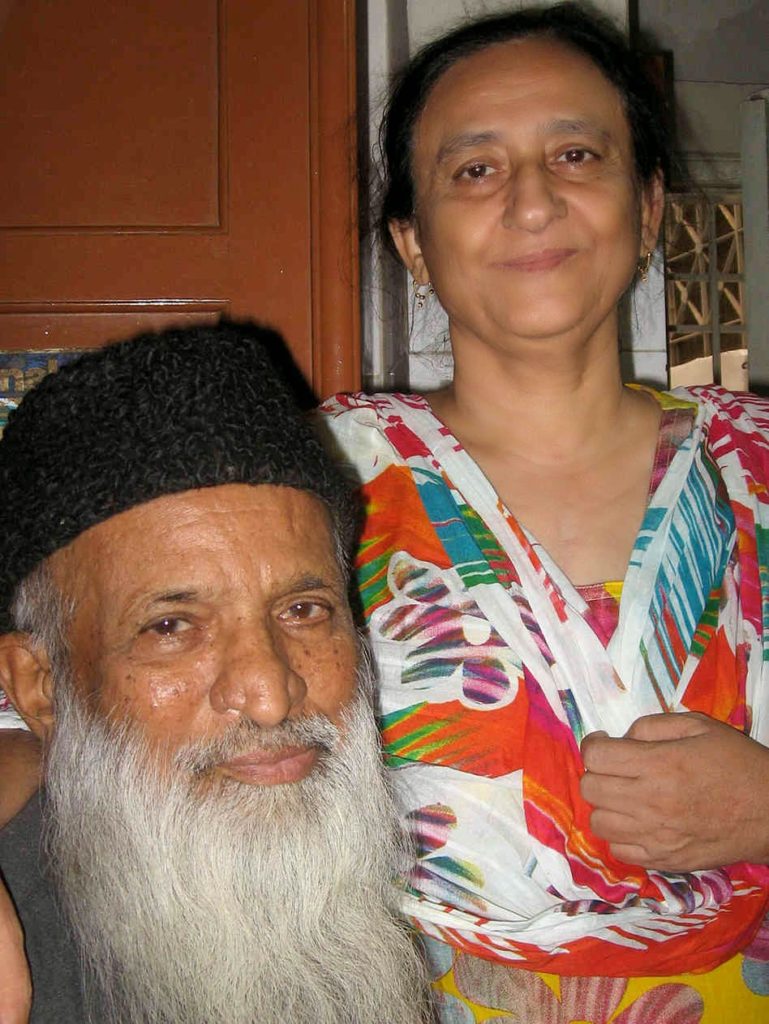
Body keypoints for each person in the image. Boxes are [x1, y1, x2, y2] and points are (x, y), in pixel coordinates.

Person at [318, 3, 769, 1021]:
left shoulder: (758, 467)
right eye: (475, 169)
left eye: (575, 155)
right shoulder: (314, 480)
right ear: (412, 242)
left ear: (647, 209)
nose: (530, 202)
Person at [0, 324, 429, 1024]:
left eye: (303, 609)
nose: (269, 695)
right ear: (41, 686)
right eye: (171, 626)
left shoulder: (423, 884)